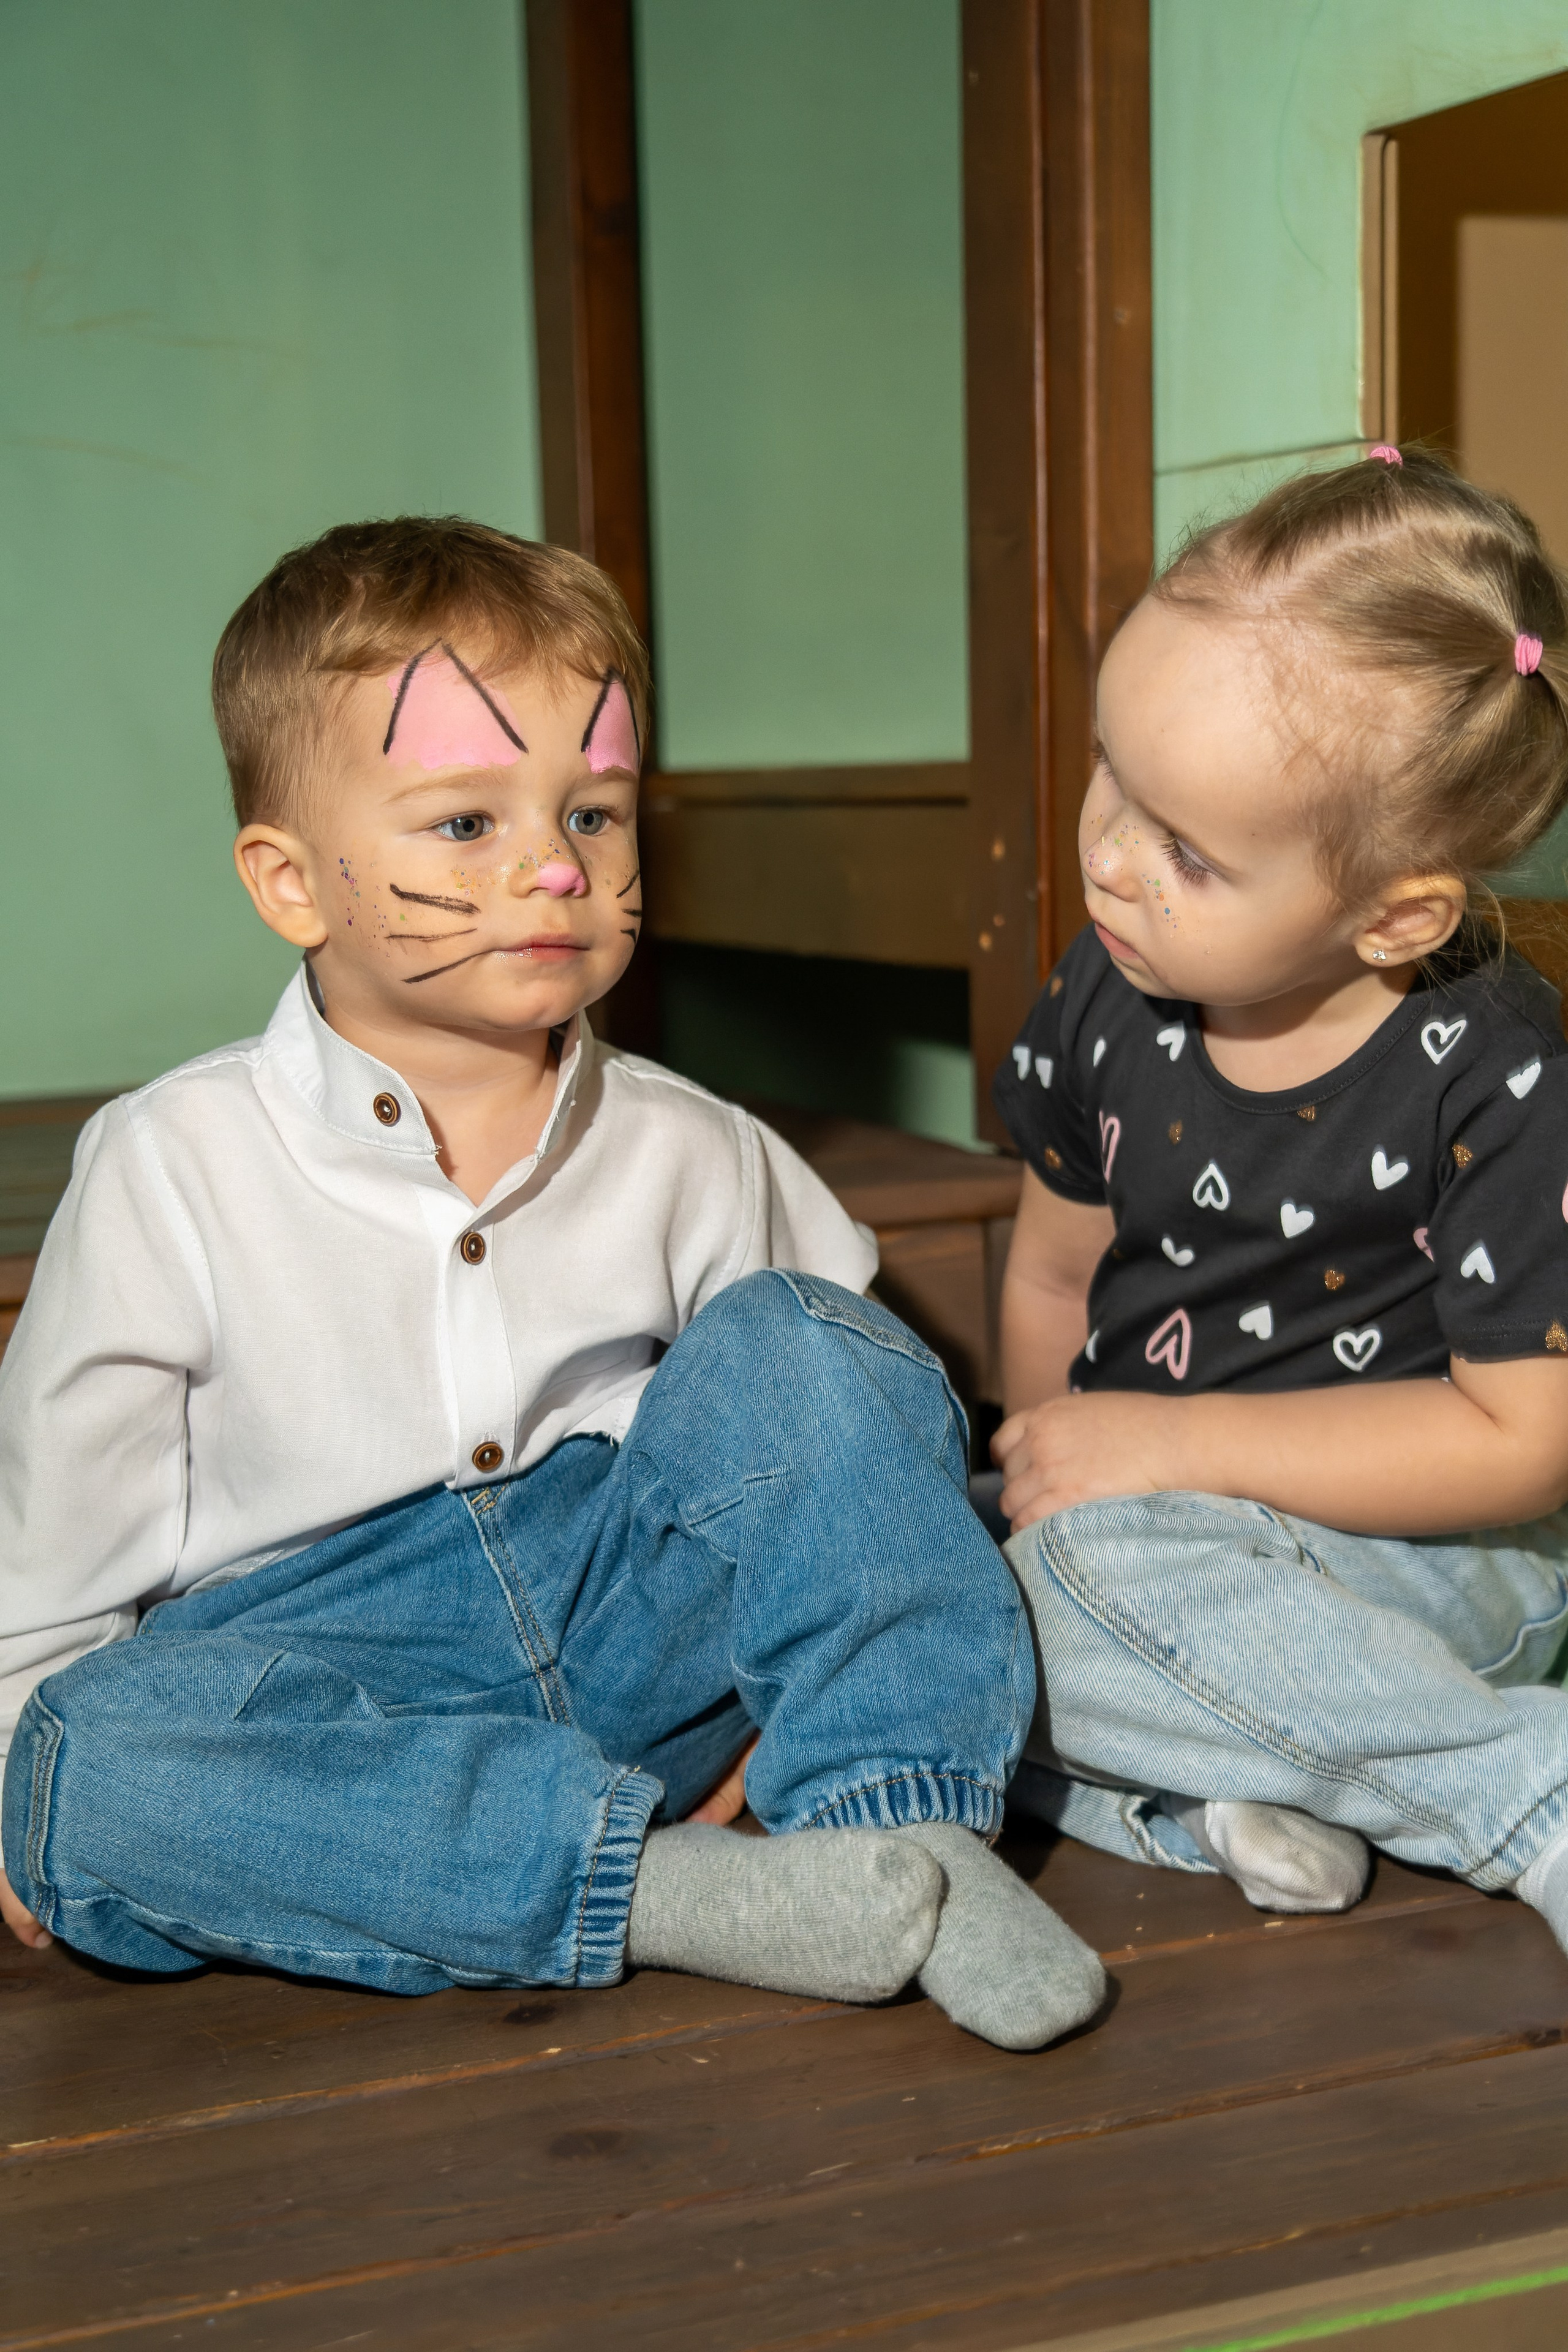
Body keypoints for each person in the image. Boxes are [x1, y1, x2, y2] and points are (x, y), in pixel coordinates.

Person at [0, 519, 1104, 2051]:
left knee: (810, 1337)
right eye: (464, 824)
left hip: (629, 1607)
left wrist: (796, 1695)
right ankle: (663, 1890)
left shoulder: (695, 1146)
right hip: (336, 1687)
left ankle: (907, 1833)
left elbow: (844, 1449)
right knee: (88, 1758)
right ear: (289, 882)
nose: (549, 867)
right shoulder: (167, 1167)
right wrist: (39, 1770)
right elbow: (57, 1557)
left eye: (592, 811)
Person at [987, 447, 1568, 1951]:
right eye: (1112, 773)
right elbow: (1055, 1280)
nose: (1108, 860)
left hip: (1432, 1564)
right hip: (1150, 1525)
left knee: (1072, 1592)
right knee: (927, 1591)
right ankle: (1240, 1792)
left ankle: (1530, 1791)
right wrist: (1054, 1464)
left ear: (1391, 913)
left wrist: (1152, 1457)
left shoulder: (1494, 1072)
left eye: (1184, 849)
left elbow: (1520, 1451)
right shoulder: (1110, 993)